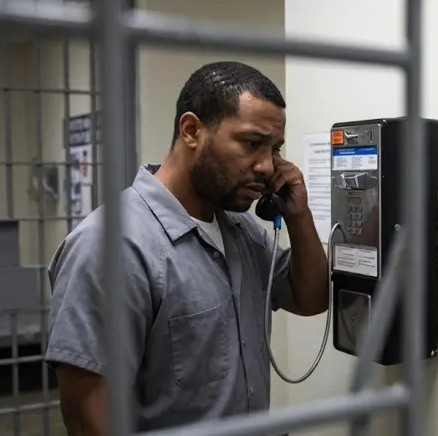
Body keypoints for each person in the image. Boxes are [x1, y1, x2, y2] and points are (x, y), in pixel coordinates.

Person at [45, 61, 329, 434]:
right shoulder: (111, 246)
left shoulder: (240, 229)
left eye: (274, 149)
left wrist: (298, 216)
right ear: (192, 130)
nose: (266, 166)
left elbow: (310, 299)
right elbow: (87, 414)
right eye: (252, 143)